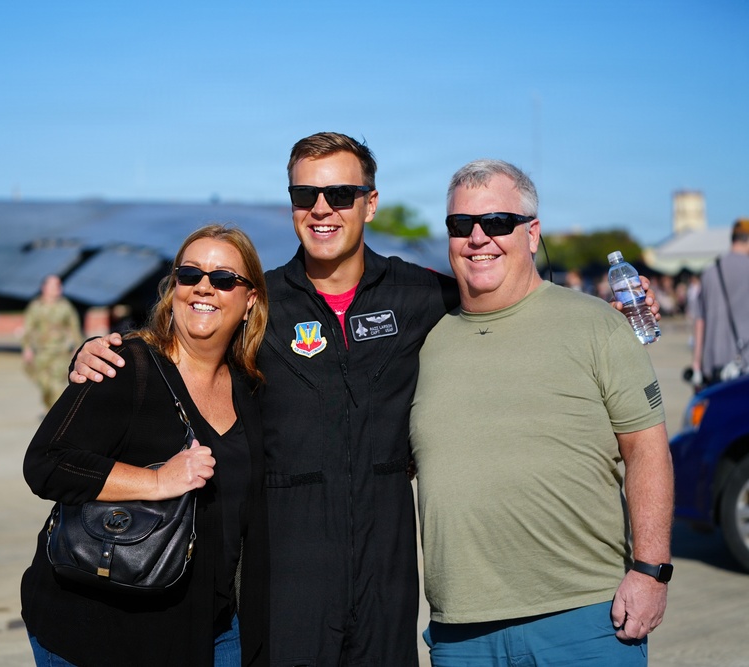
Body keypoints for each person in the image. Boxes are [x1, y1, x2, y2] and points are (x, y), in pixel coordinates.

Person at [69, 133, 661, 665]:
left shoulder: (420, 293)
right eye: (306, 196)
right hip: (286, 568)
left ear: (369, 204)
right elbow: (185, 336)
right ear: (292, 205)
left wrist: (599, 317)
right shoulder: (260, 303)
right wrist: (104, 350)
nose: (322, 210)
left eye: (341, 194)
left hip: (386, 563)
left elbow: (504, 289)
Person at [409, 159, 673, 665]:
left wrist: (651, 570)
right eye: (461, 225)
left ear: (532, 234)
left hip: (587, 620)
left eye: (498, 223)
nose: (478, 238)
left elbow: (647, 449)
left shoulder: (597, 325)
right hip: (461, 634)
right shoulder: (425, 343)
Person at [20, 224, 270, 666]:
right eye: (189, 275)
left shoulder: (249, 387)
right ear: (173, 288)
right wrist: (157, 480)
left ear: (249, 299)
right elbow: (46, 463)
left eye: (224, 278)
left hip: (212, 629)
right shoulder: (125, 365)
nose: (204, 288)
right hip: (100, 633)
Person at [691, 218, 749, 388]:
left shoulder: (710, 271)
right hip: (745, 362)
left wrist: (696, 364)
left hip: (713, 361)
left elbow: (699, 321)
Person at [21, 275, 84, 409]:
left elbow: (74, 328)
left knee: (57, 386)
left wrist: (78, 347)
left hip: (60, 352)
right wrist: (27, 348)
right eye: (53, 285)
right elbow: (28, 329)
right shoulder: (35, 307)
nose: (57, 288)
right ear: (44, 288)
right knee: (45, 386)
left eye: (59, 285)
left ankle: (55, 414)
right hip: (42, 353)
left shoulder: (65, 307)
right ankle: (49, 408)